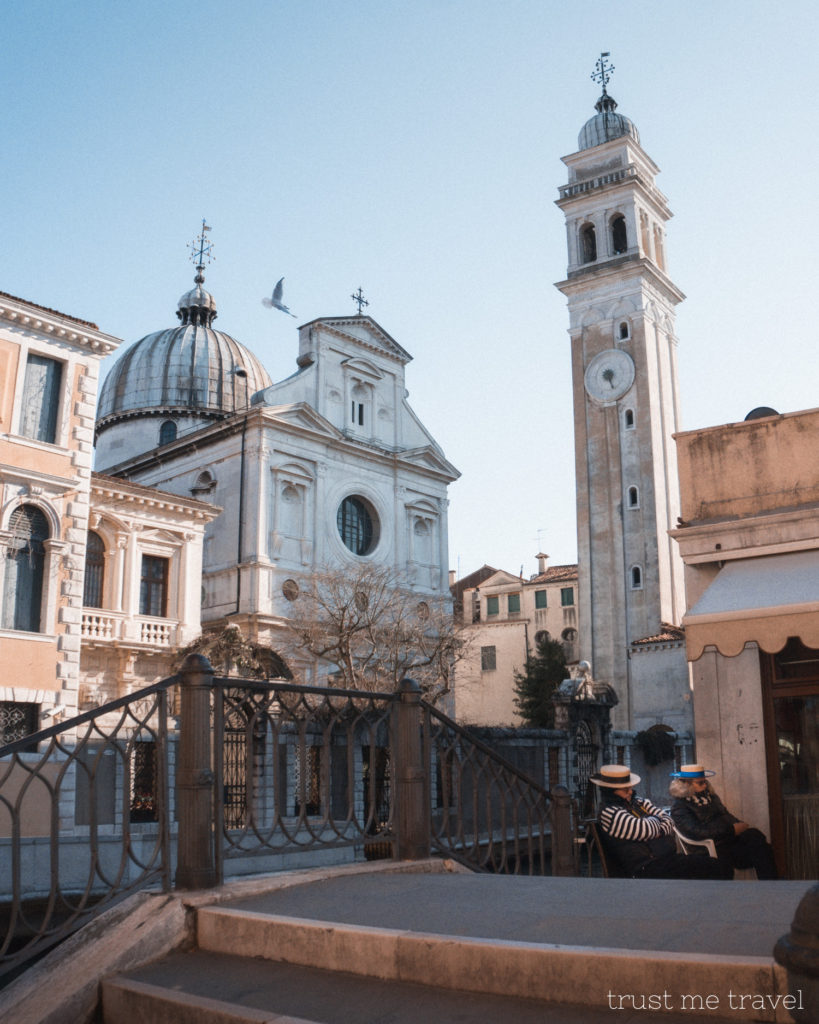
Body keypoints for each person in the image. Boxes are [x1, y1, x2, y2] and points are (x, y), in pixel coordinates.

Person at [592, 764, 732, 880]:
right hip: (645, 867)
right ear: (610, 791)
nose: (630, 791)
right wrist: (656, 823)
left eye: (630, 787)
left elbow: (669, 821)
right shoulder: (609, 812)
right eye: (625, 789)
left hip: (664, 859)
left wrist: (653, 826)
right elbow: (644, 830)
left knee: (720, 866)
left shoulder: (638, 802)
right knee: (715, 868)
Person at [669, 764, 778, 879]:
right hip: (710, 847)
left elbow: (725, 815)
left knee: (757, 839)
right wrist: (731, 830)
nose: (705, 785)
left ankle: (771, 884)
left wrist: (738, 824)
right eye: (700, 783)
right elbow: (697, 832)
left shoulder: (710, 797)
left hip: (727, 839)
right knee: (759, 848)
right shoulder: (680, 807)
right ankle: (771, 884)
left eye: (705, 782)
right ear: (686, 784)